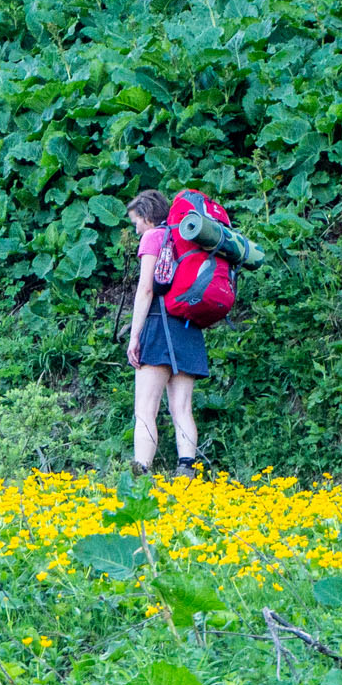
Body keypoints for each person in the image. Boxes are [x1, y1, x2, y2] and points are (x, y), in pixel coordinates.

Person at [124, 188, 206, 479]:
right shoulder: (185, 238)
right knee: (182, 408)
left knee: (145, 408)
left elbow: (146, 288)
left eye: (135, 221)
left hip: (159, 325)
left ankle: (140, 475)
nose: (135, 228)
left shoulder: (153, 237)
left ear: (146, 216)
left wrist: (135, 336)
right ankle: (186, 471)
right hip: (188, 325)